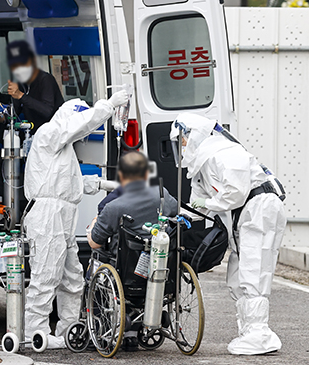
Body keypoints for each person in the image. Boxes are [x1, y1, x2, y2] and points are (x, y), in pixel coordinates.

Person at [170, 113, 286, 356]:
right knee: (236, 274)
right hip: (243, 216)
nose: (181, 146)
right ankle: (249, 330)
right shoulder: (201, 165)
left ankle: (260, 334)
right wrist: (178, 216)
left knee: (254, 269)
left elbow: (234, 193)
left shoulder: (224, 153)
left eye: (182, 140)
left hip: (259, 209)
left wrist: (206, 202)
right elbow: (197, 205)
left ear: (195, 135)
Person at [23, 90, 129, 349]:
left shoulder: (62, 147)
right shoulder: (50, 133)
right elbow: (77, 125)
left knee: (72, 277)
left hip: (63, 214)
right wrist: (107, 106)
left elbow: (66, 182)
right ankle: (34, 333)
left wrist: (104, 184)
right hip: (48, 216)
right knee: (46, 275)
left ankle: (68, 330)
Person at [87, 151, 178, 351]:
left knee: (96, 262)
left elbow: (94, 243)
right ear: (146, 175)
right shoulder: (164, 197)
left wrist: (92, 226)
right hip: (161, 271)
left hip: (126, 273)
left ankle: (102, 325)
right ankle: (135, 328)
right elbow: (175, 212)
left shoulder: (113, 207)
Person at [0, 40, 64, 195]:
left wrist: (21, 96)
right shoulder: (22, 83)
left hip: (45, 139)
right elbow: (14, 113)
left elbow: (48, 111)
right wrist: (0, 117)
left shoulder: (45, 80)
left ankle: (15, 202)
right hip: (26, 135)